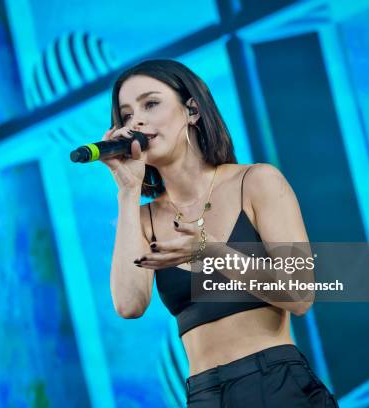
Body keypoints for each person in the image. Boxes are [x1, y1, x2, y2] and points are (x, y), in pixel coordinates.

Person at [101, 59, 338, 407]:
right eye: (125, 115)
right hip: (206, 393)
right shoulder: (142, 217)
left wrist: (209, 251)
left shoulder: (256, 182)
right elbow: (129, 305)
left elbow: (300, 295)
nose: (135, 121)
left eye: (150, 104)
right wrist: (127, 192)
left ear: (192, 110)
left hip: (277, 381)